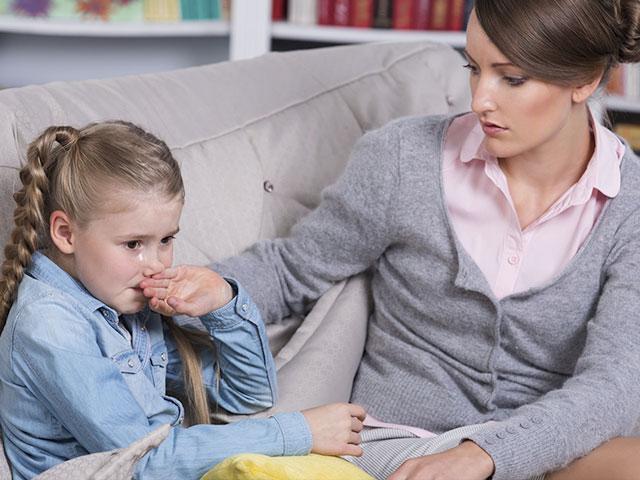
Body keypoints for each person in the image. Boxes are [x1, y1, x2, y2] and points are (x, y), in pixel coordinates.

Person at [191, 1, 640, 479]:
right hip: (398, 447)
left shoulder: (631, 206)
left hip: (540, 453)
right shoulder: (404, 159)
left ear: (586, 81)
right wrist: (203, 289)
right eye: (474, 69)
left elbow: (613, 385)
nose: (480, 100)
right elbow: (292, 269)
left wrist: (486, 456)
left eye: (511, 78)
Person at [0, 121, 366, 480]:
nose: (156, 264)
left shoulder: (127, 307)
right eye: (133, 244)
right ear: (66, 233)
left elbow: (250, 398)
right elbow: (142, 462)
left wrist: (222, 305)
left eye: (167, 240)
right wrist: (296, 433)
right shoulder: (50, 325)